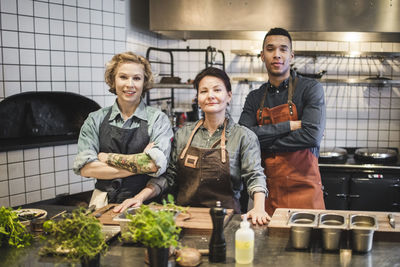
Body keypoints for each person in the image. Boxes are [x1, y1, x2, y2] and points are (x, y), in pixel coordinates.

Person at [112, 67, 269, 225]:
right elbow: (169, 176)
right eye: (204, 91)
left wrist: (259, 208)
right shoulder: (183, 134)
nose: (210, 96)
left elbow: (254, 176)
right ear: (198, 99)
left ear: (229, 96)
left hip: (225, 220)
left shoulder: (244, 137)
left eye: (217, 90)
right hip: (184, 219)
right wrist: (139, 197)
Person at [239, 27, 326, 216]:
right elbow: (244, 138)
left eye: (283, 49)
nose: (277, 55)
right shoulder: (254, 97)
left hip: (306, 190)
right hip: (268, 192)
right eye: (270, 49)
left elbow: (311, 136)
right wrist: (289, 126)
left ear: (291, 55)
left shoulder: (311, 89)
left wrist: (264, 140)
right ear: (262, 56)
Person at [73, 52, 173, 209]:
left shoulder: (158, 120)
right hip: (102, 204)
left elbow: (155, 165)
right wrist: (140, 163)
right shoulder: (95, 119)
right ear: (113, 80)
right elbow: (86, 168)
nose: (130, 84)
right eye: (123, 77)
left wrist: (106, 158)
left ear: (144, 82)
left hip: (145, 203)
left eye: (137, 78)